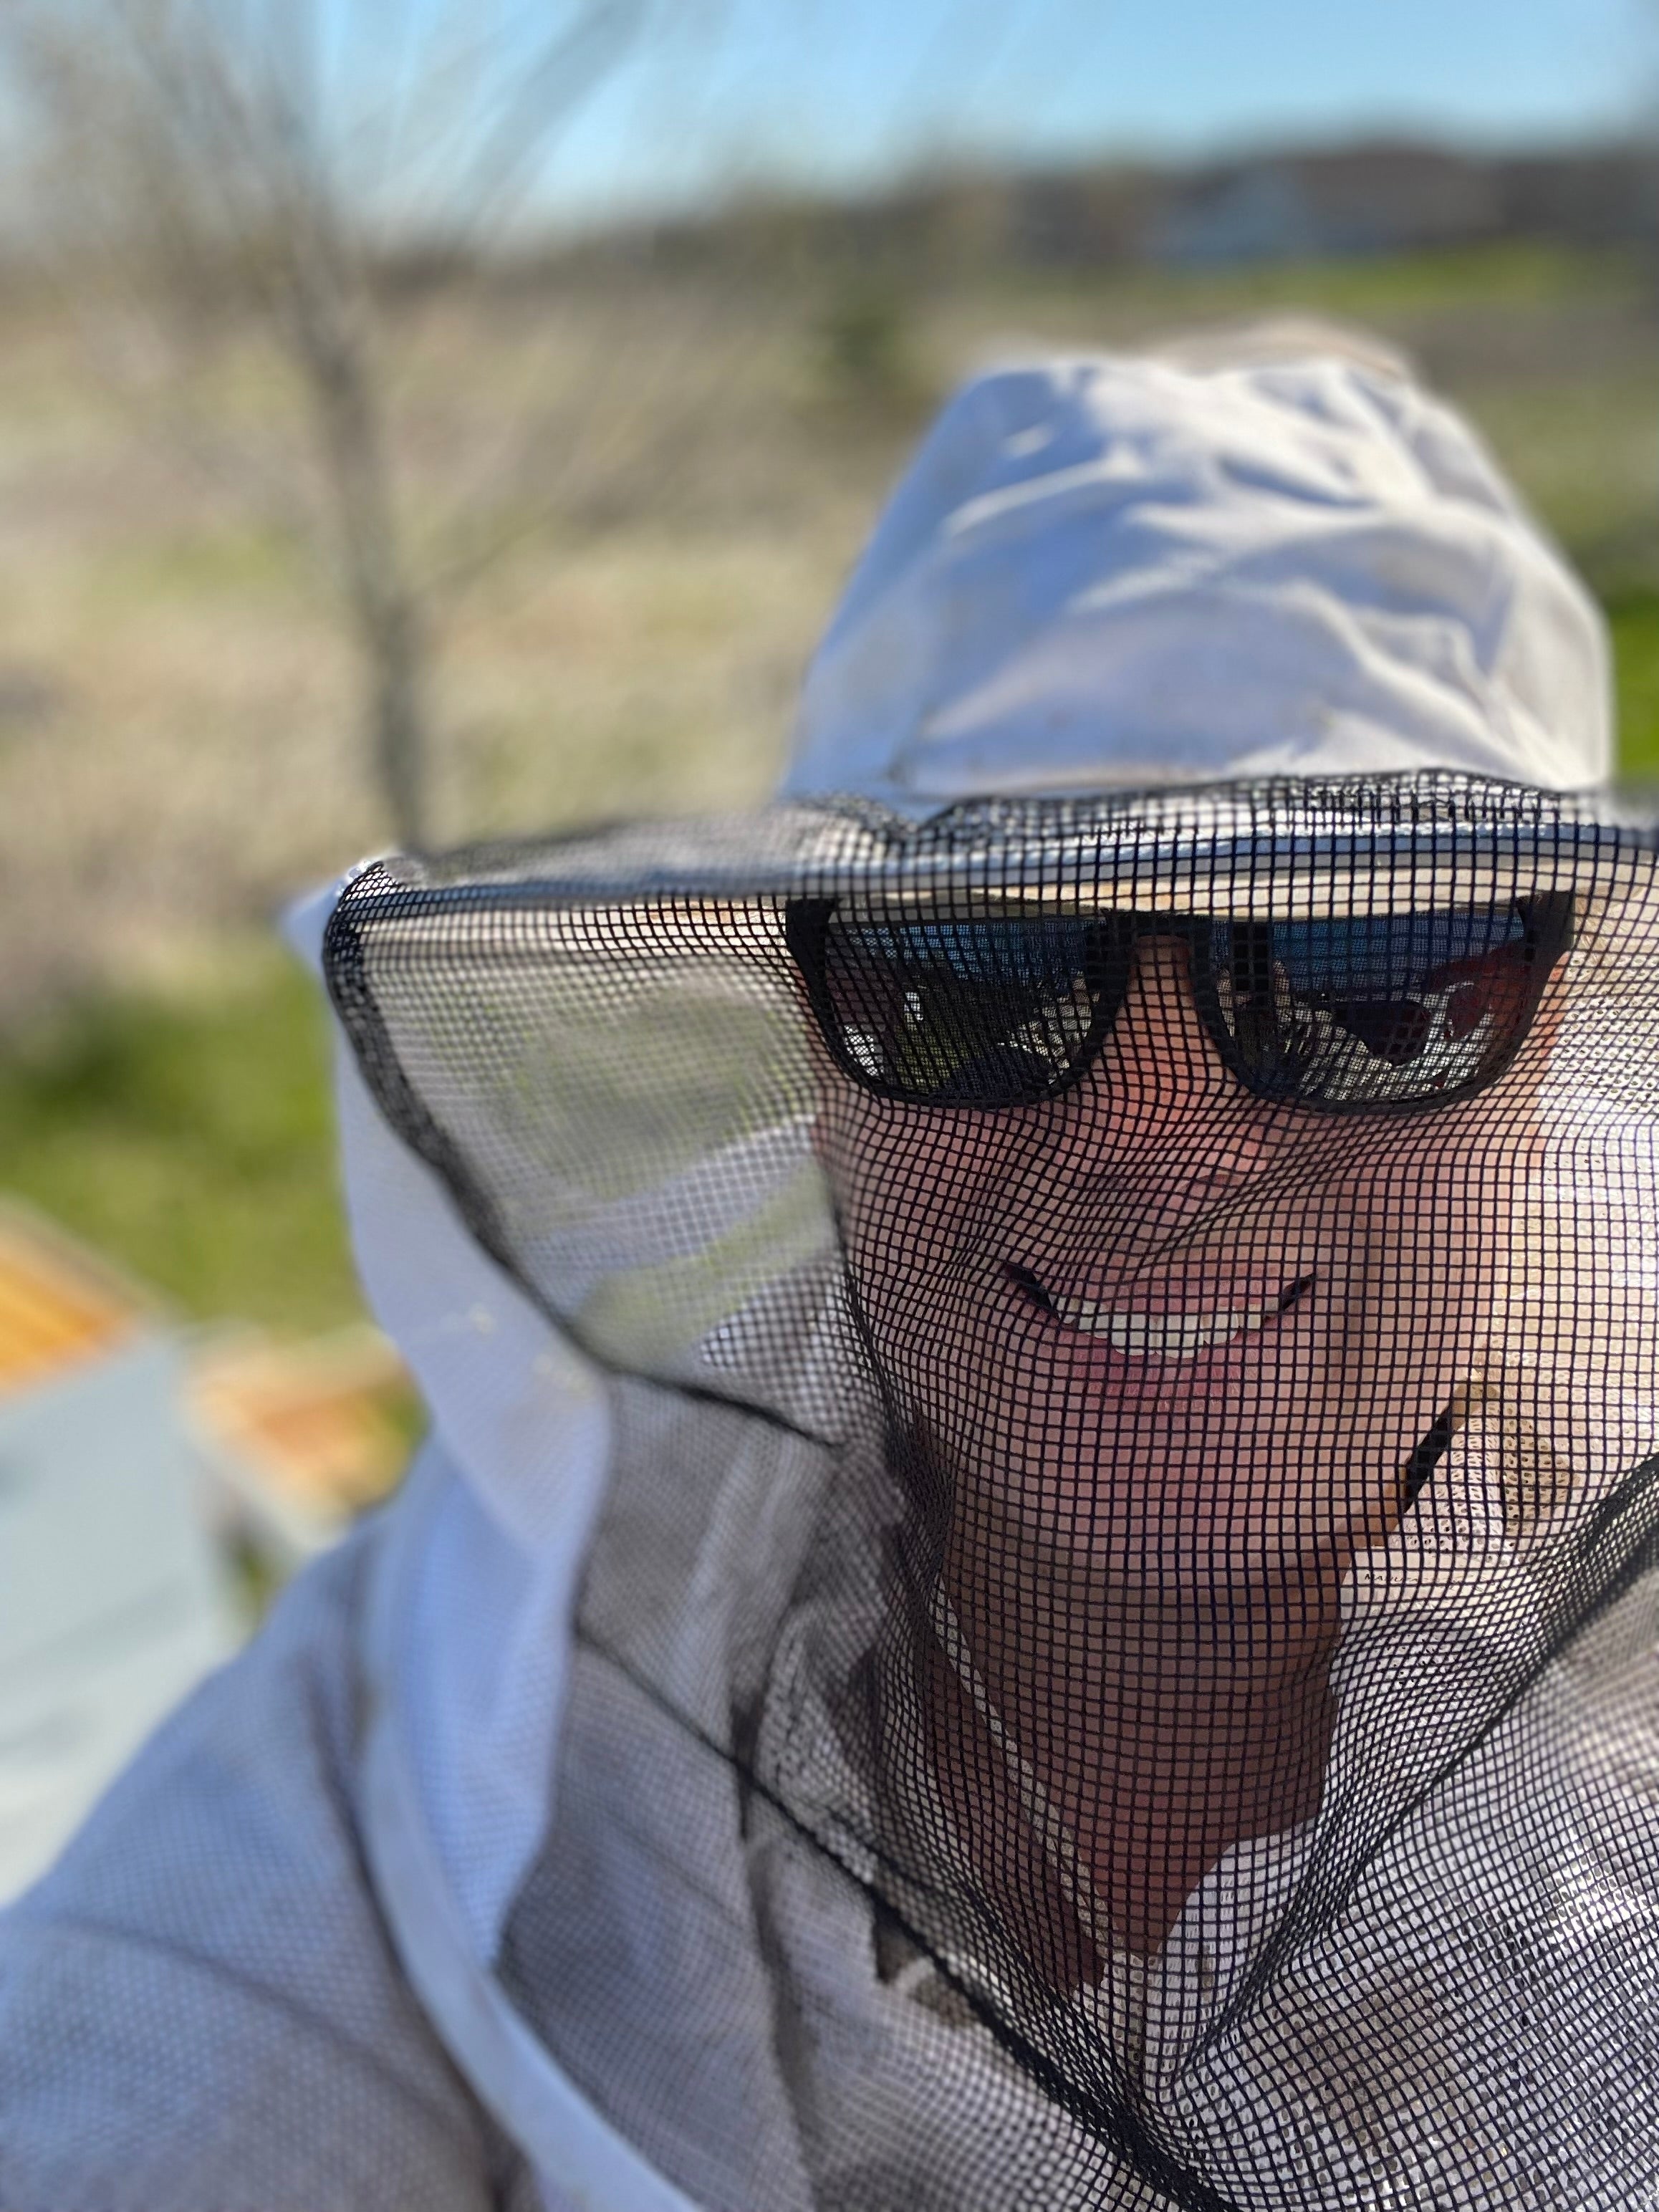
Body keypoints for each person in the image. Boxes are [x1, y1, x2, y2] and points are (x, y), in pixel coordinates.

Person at [5, 329, 1659, 2212]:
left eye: (1371, 966)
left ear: (1547, 1038)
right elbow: (133, 2073)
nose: (1151, 1140)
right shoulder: (486, 1649)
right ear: (815, 1039)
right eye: (972, 969)